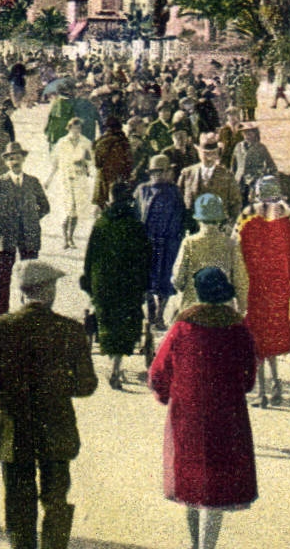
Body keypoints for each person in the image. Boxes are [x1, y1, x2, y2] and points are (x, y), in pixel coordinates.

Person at [0, 261, 98, 549]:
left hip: (14, 433)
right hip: (57, 429)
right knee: (56, 502)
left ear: (21, 292)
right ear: (50, 292)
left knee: (19, 510)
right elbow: (87, 386)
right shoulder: (71, 331)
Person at [148, 266, 258, 549]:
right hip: (227, 415)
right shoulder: (239, 329)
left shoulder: (182, 327)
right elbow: (248, 379)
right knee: (217, 489)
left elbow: (158, 371)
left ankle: (195, 546)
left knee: (192, 479)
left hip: (188, 413)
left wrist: (164, 395)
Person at [238, 176, 290, 407]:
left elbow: (238, 248)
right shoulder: (288, 214)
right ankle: (277, 387)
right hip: (280, 284)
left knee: (257, 337)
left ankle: (262, 392)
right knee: (275, 335)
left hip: (255, 283)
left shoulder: (247, 214)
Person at [81, 182, 151, 389]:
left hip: (103, 283)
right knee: (125, 323)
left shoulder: (101, 224)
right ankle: (116, 366)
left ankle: (111, 362)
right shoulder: (137, 226)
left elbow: (89, 257)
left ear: (111, 200)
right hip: (129, 283)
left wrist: (89, 283)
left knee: (107, 321)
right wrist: (144, 284)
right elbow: (146, 258)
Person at [0, 144, 52, 316]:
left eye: (17, 157)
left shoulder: (33, 182)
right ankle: (1, 313)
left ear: (23, 159)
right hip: (6, 236)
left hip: (29, 235)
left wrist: (31, 219)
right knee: (3, 276)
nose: (14, 161)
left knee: (30, 277)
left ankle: (29, 313)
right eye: (10, 158)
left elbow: (45, 207)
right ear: (6, 162)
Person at [172, 193, 247, 316]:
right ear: (219, 220)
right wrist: (242, 308)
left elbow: (178, 278)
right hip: (223, 309)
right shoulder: (230, 244)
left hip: (193, 308)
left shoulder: (189, 243)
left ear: (198, 219)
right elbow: (240, 280)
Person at [138, 155, 188, 331]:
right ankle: (151, 314)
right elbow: (137, 215)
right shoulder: (142, 190)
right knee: (146, 279)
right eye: (156, 172)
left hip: (168, 243)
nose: (161, 175)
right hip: (147, 243)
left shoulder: (174, 192)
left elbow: (180, 216)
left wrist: (176, 237)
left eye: (165, 171)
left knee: (165, 280)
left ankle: (160, 315)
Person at [45, 117, 94, 249]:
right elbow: (55, 163)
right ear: (69, 128)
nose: (76, 130)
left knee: (76, 210)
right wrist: (48, 180)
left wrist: (85, 164)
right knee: (66, 209)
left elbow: (92, 161)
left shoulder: (85, 142)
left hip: (79, 178)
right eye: (74, 128)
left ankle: (71, 237)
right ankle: (64, 238)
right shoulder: (62, 142)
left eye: (78, 128)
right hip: (65, 178)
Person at [179, 134, 242, 219]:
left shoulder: (227, 175)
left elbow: (236, 203)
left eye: (213, 153)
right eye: (206, 153)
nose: (209, 158)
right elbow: (179, 201)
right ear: (199, 153)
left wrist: (229, 225)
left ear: (217, 154)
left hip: (218, 227)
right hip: (193, 228)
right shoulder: (187, 174)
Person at [231, 125, 277, 204]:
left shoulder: (260, 147)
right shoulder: (238, 146)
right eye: (245, 133)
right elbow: (233, 165)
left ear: (255, 134)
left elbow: (271, 166)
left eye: (250, 133)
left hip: (254, 182)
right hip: (239, 182)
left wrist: (265, 177)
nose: (247, 136)